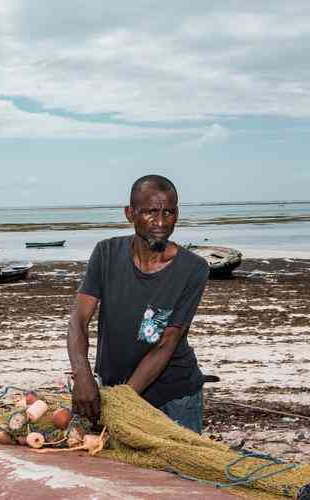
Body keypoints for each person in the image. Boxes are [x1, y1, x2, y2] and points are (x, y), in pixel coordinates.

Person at [67, 174, 210, 433]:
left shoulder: (194, 268)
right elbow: (78, 320)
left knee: (176, 474)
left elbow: (166, 343)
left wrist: (124, 400)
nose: (160, 222)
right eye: (150, 212)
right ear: (130, 213)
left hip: (174, 399)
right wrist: (82, 374)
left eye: (169, 212)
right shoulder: (106, 253)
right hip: (113, 389)